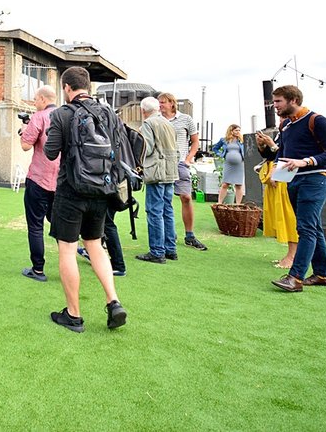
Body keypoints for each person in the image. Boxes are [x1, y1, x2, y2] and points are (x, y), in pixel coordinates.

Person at [43, 67, 127, 333]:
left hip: (71, 190)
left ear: (67, 88)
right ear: (88, 86)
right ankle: (113, 301)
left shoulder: (62, 114)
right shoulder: (108, 113)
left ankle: (74, 314)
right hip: (102, 191)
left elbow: (50, 152)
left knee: (67, 249)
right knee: (95, 246)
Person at [256, 85, 326, 292]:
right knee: (313, 227)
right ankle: (322, 274)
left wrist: (307, 161)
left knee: (305, 228)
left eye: (278, 101)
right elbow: (283, 152)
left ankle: (295, 278)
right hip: (294, 181)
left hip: (316, 180)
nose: (274, 106)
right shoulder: (287, 125)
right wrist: (275, 170)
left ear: (293, 100)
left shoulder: (318, 121)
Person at [19, 87, 60, 282]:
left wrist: (24, 131)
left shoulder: (39, 116)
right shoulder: (65, 115)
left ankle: (38, 269)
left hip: (38, 178)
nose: (34, 103)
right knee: (60, 226)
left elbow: (26, 145)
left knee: (35, 226)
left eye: (35, 99)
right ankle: (68, 266)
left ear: (43, 99)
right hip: (61, 181)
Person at [157, 92, 207, 251]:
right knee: (165, 200)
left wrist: (188, 159)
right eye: (159, 103)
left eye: (163, 102)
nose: (160, 105)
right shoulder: (156, 119)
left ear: (172, 103)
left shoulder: (186, 119)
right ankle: (169, 234)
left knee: (186, 197)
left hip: (180, 163)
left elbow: (195, 142)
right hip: (162, 163)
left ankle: (189, 235)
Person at [136, 96, 179, 264]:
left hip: (156, 171)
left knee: (154, 211)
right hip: (170, 171)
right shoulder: (168, 123)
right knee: (167, 210)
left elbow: (145, 148)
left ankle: (157, 251)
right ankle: (170, 249)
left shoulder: (148, 124)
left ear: (143, 111)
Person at [255, 133, 298, 269]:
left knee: (289, 216)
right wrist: (262, 145)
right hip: (277, 176)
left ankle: (293, 256)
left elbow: (289, 154)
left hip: (288, 176)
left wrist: (272, 146)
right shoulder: (284, 131)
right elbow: (271, 155)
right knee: (282, 216)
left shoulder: (297, 129)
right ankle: (291, 254)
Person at [211, 124, 246, 204]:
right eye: (236, 130)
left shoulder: (241, 141)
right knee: (225, 184)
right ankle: (219, 202)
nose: (238, 132)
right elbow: (215, 148)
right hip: (228, 164)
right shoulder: (224, 140)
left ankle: (238, 204)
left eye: (239, 130)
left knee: (239, 185)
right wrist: (221, 154)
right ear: (231, 131)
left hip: (239, 165)